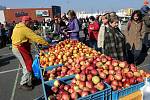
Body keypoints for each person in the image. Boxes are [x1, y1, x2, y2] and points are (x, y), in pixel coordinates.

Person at [11, 16, 49, 90]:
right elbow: (35, 37)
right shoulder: (24, 29)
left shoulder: (17, 27)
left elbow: (13, 37)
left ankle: (32, 78)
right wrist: (46, 43)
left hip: (18, 47)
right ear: (26, 21)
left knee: (30, 62)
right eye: (30, 22)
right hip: (19, 49)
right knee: (27, 65)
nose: (31, 24)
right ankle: (23, 83)